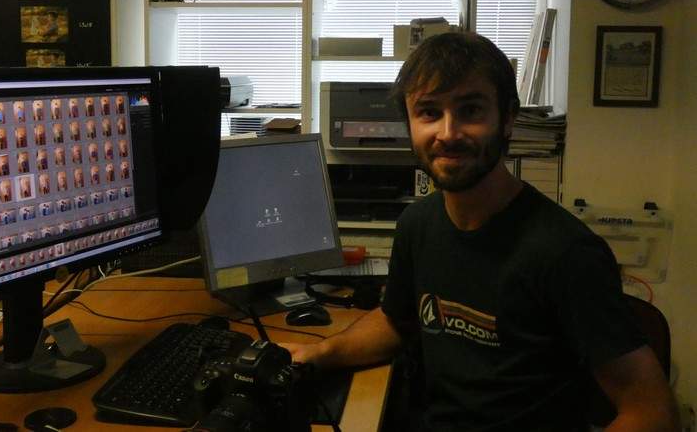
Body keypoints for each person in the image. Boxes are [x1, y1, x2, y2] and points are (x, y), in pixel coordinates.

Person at [283, 33, 678, 431]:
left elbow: (652, 412)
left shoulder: (565, 252)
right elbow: (395, 322)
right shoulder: (417, 225)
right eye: (429, 112)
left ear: (507, 119)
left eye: (470, 110)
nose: (448, 133)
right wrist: (321, 353)